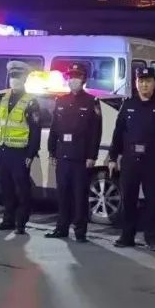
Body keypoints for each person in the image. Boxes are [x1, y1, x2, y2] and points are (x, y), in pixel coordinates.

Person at [107, 64, 155, 251]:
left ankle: (152, 239)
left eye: (147, 81)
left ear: (154, 83)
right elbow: (118, 133)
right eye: (141, 81)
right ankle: (127, 236)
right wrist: (113, 157)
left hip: (151, 161)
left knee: (152, 201)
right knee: (128, 200)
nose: (144, 85)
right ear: (136, 83)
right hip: (130, 160)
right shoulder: (128, 104)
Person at [46, 63, 101, 242]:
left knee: (79, 196)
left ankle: (80, 231)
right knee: (63, 194)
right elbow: (54, 128)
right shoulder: (61, 100)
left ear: (84, 79)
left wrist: (92, 156)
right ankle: (61, 228)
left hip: (81, 157)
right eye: (70, 77)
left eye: (77, 77)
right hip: (63, 155)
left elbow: (96, 132)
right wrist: (52, 151)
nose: (73, 80)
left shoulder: (91, 101)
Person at [0, 61, 42, 235]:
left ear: (24, 80)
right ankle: (8, 220)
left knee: (22, 190)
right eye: (12, 77)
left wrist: (30, 154)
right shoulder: (4, 99)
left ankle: (21, 223)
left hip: (20, 153)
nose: (14, 80)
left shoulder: (31, 102)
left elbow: (35, 130)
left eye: (18, 77)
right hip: (4, 151)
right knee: (6, 188)